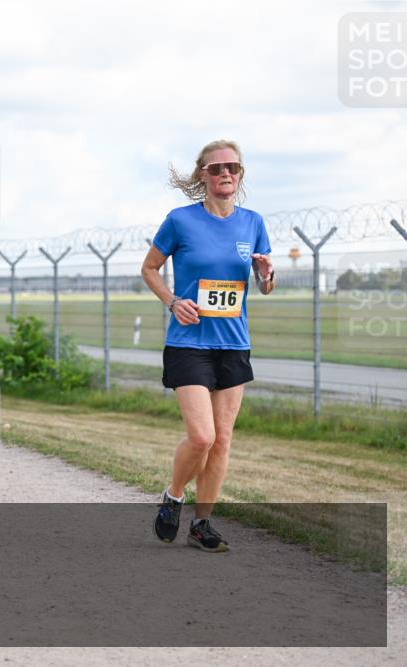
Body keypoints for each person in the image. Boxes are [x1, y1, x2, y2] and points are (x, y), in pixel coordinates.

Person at [142, 140, 275, 553]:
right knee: (201, 436)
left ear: (240, 174)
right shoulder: (180, 221)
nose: (226, 174)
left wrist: (268, 275)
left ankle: (202, 524)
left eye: (233, 167)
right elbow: (149, 269)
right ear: (203, 174)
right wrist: (173, 301)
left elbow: (264, 286)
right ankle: (174, 496)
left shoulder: (252, 222)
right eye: (217, 168)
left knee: (222, 439)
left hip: (233, 344)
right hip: (188, 343)